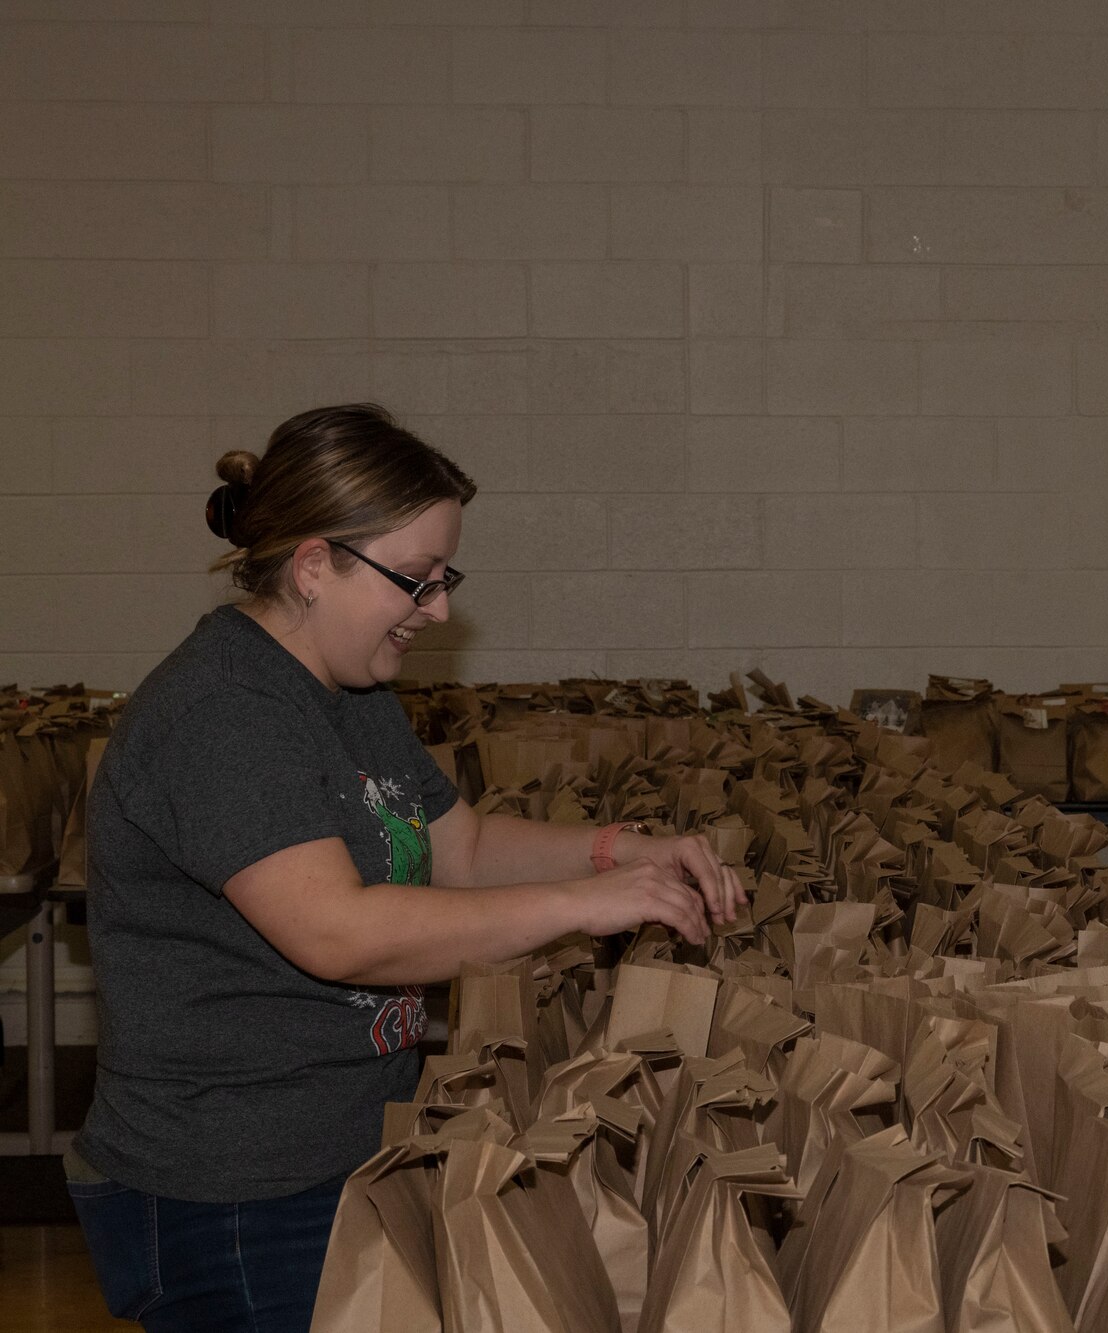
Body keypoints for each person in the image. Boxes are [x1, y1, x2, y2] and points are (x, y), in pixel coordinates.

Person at [67, 404, 746, 1332]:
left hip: (338, 1156)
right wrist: (584, 904)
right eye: (417, 580)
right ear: (314, 567)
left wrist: (620, 850)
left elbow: (457, 847)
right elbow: (338, 931)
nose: (440, 610)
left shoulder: (347, 691)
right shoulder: (222, 714)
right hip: (234, 1193)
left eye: (445, 578)